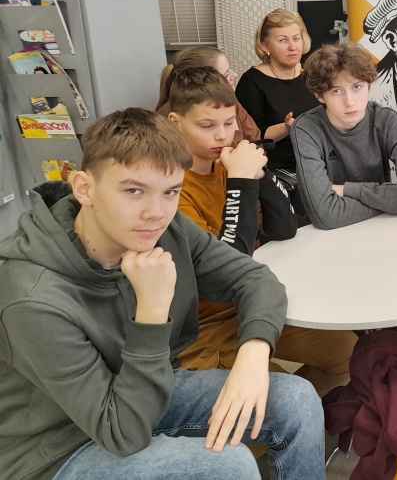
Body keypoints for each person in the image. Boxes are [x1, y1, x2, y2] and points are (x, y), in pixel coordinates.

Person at [0, 108, 324, 479]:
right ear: (85, 188)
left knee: (297, 400)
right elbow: (122, 431)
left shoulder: (165, 228)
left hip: (143, 391)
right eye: (133, 191)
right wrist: (152, 310)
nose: (155, 212)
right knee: (227, 466)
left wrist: (253, 354)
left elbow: (255, 278)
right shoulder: (32, 297)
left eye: (170, 191)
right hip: (59, 450)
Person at [166, 67, 358, 397]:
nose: (222, 136)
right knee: (285, 396)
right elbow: (224, 273)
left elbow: (283, 229)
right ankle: (283, 416)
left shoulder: (226, 165)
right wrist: (241, 182)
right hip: (203, 326)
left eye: (229, 123)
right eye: (207, 126)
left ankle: (301, 414)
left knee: (349, 354)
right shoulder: (169, 189)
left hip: (252, 303)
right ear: (175, 123)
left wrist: (260, 173)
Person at [291, 43, 397, 230]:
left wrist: (348, 190)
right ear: (320, 96)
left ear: (369, 85)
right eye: (336, 91)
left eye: (357, 87)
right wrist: (390, 204)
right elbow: (325, 215)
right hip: (324, 237)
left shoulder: (387, 121)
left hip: (378, 229)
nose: (349, 102)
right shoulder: (307, 128)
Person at [235, 9, 317, 174]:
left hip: (316, 162)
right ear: (265, 45)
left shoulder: (312, 74)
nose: (292, 47)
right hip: (275, 169)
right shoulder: (251, 81)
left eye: (296, 39)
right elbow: (251, 137)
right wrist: (286, 128)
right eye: (283, 40)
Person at [157, 45, 260, 146]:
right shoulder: (165, 116)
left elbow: (256, 140)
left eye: (229, 122)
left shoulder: (229, 102)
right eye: (207, 125)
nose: (235, 75)